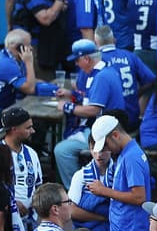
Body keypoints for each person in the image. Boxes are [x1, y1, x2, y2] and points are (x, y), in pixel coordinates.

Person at [53, 38, 126, 185]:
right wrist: (72, 95)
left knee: (61, 150)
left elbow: (93, 110)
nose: (76, 64)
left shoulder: (101, 77)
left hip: (105, 134)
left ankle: (77, 190)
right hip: (108, 128)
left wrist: (67, 107)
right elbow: (91, 99)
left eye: (77, 60)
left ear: (86, 59)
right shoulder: (104, 71)